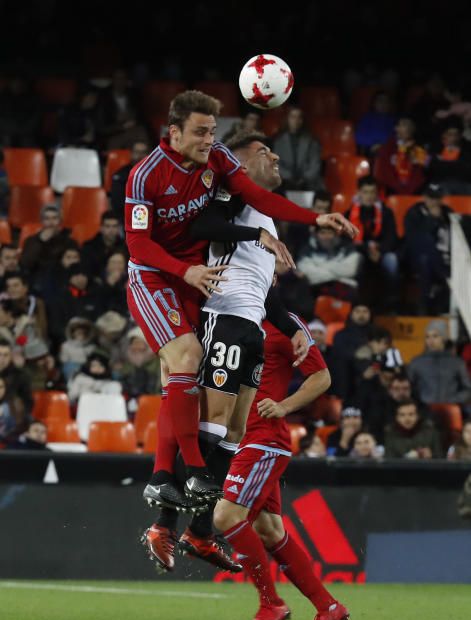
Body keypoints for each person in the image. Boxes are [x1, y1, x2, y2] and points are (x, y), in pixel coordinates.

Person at [125, 90, 357, 504]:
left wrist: (314, 217)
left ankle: (163, 479)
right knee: (186, 360)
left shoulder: (217, 160)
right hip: (157, 277)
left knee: (178, 383)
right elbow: (138, 245)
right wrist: (186, 269)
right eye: (199, 132)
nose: (207, 141)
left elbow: (258, 195)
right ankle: (192, 472)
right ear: (174, 132)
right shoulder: (145, 175)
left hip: (197, 280)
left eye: (213, 131)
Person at [142, 130, 315, 572]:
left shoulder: (265, 216)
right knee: (212, 427)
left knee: (234, 433)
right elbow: (203, 225)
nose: (274, 156)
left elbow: (263, 294)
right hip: (223, 319)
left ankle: (199, 532)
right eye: (263, 152)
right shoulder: (232, 195)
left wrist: (290, 327)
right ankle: (163, 524)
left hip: (250, 325)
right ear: (238, 162)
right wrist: (255, 231)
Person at [212, 315, 349, 620]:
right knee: (269, 529)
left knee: (226, 515)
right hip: (238, 438)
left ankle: (270, 603)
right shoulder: (228, 314)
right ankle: (328, 607)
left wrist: (285, 406)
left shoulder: (285, 324)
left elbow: (321, 376)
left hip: (263, 437)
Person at [345, 175, 400, 310]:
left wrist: (379, 251)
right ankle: (357, 305)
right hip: (359, 252)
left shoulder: (386, 212)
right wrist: (367, 250)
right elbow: (346, 240)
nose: (369, 196)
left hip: (381, 252)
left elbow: (392, 238)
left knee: (392, 260)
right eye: (365, 192)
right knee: (356, 260)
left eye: (372, 192)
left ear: (377, 194)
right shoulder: (349, 214)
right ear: (359, 193)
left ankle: (391, 304)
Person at [402, 183, 454, 314]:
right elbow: (413, 240)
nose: (434, 202)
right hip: (419, 258)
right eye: (431, 198)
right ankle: (424, 304)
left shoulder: (448, 213)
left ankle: (444, 305)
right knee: (425, 259)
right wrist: (431, 219)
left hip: (447, 258)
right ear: (424, 197)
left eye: (437, 198)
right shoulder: (414, 213)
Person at [408, 319, 471, 407]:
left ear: (443, 338)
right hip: (424, 410)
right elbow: (409, 386)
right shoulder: (416, 362)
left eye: (435, 336)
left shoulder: (456, 363)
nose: (431, 340)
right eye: (427, 336)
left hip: (450, 411)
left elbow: (467, 389)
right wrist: (420, 400)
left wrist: (453, 400)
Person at [272, 106, 323, 191]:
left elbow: (315, 165)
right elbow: (277, 164)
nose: (296, 121)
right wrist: (289, 178)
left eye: (299, 117)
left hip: (308, 184)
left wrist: (303, 179)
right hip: (285, 183)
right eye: (293, 117)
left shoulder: (312, 141)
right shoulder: (278, 141)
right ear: (287, 119)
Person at [374, 116, 429, 195]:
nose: (407, 128)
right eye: (403, 125)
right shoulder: (387, 147)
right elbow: (383, 172)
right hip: (391, 189)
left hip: (414, 190)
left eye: (410, 126)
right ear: (396, 128)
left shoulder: (419, 149)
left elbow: (422, 172)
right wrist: (397, 186)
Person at [110, 140, 151, 221]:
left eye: (143, 152)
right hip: (127, 217)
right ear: (131, 154)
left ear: (148, 155)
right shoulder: (120, 175)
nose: (140, 155)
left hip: (151, 216)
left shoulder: (156, 174)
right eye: (137, 152)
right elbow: (117, 203)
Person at [81, 211, 127, 279]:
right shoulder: (89, 247)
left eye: (114, 226)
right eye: (107, 226)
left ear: (118, 228)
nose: (111, 230)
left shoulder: (126, 247)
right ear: (101, 228)